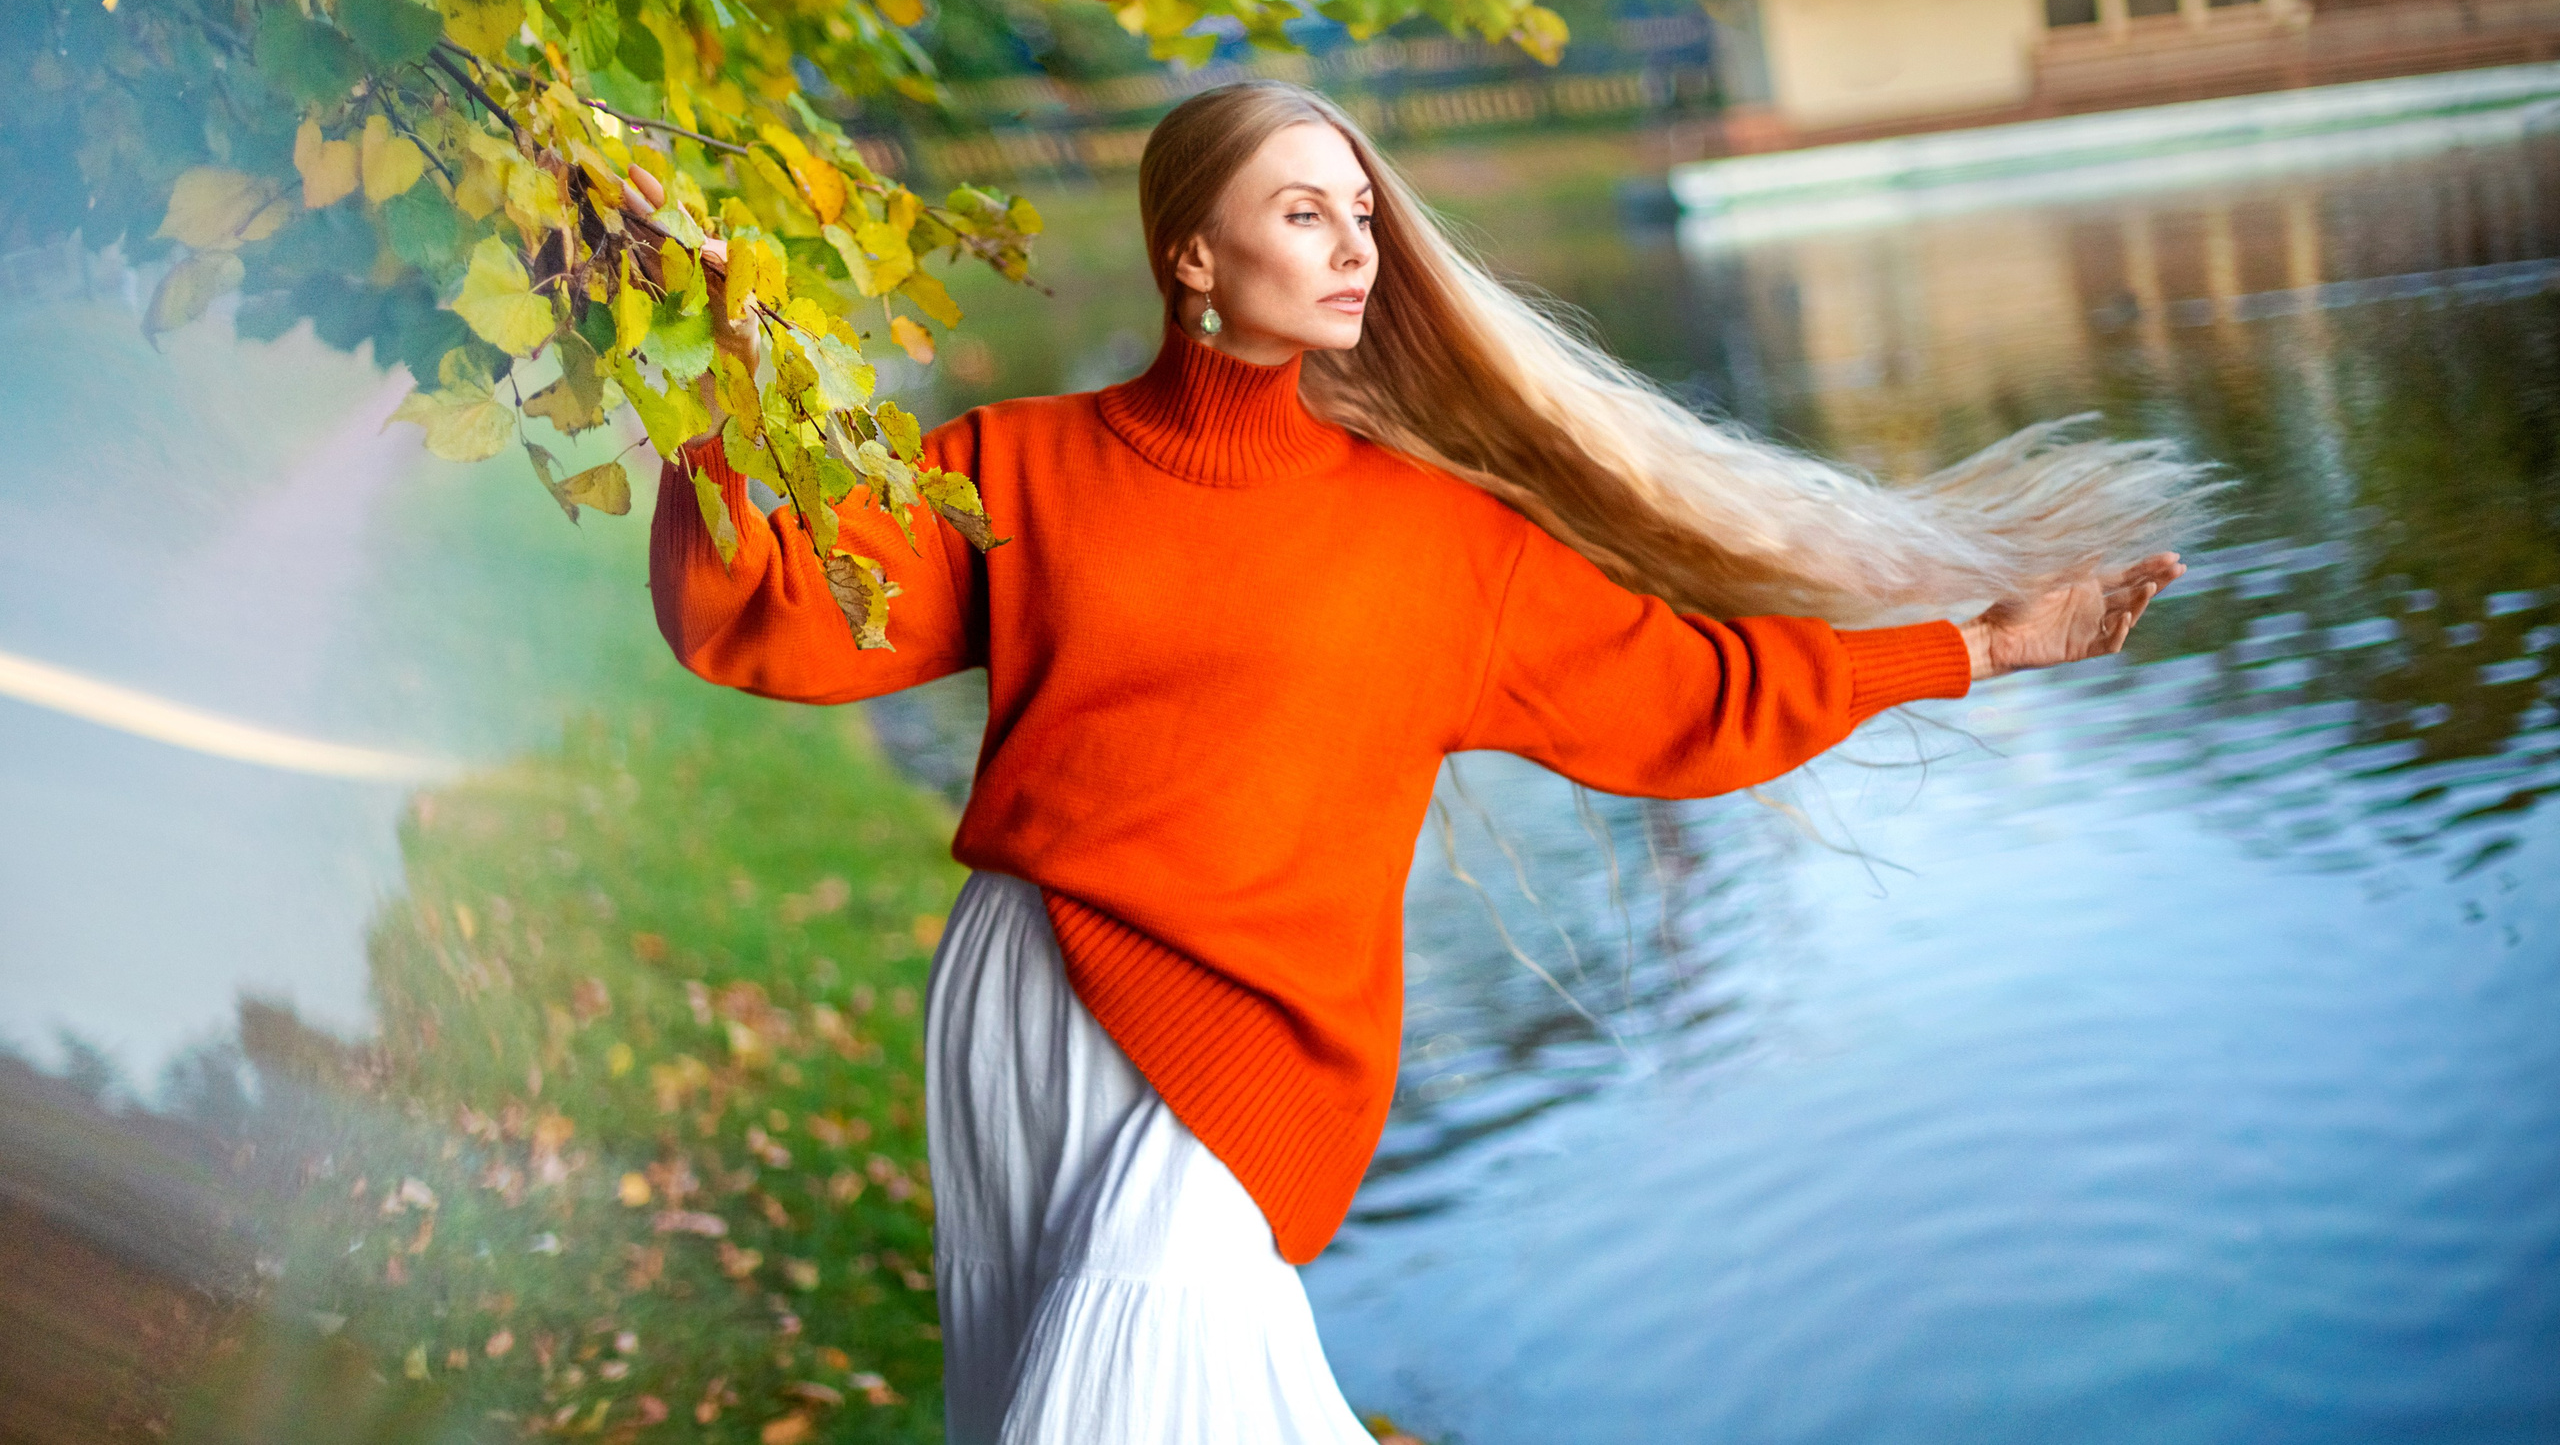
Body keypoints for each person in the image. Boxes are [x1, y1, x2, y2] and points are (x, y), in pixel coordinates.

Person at [644, 81, 2204, 1443]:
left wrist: (1980, 649)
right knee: (1054, 1391)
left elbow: (1689, 697)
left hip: (1247, 1034)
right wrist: (709, 364)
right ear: (1193, 255)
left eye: (1364, 218)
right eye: (1304, 213)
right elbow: (767, 613)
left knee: (1121, 1392)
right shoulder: (1017, 464)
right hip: (1032, 995)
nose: (1353, 249)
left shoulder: (1435, 541)